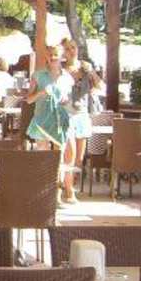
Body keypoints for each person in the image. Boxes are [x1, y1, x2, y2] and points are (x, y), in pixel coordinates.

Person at [61, 45, 105, 205]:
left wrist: (91, 72)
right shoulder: (60, 68)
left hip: (82, 115)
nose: (71, 51)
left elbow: (101, 87)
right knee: (69, 154)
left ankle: (69, 184)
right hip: (65, 114)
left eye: (73, 48)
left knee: (79, 158)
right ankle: (69, 190)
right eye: (67, 49)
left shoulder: (85, 68)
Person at [26, 49, 72, 151]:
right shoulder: (38, 75)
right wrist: (40, 93)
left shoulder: (67, 77)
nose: (52, 57)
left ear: (62, 58)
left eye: (56, 54)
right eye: (50, 55)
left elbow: (69, 100)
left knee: (59, 154)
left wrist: (66, 100)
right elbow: (29, 100)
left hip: (59, 121)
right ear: (46, 57)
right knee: (43, 153)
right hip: (42, 119)